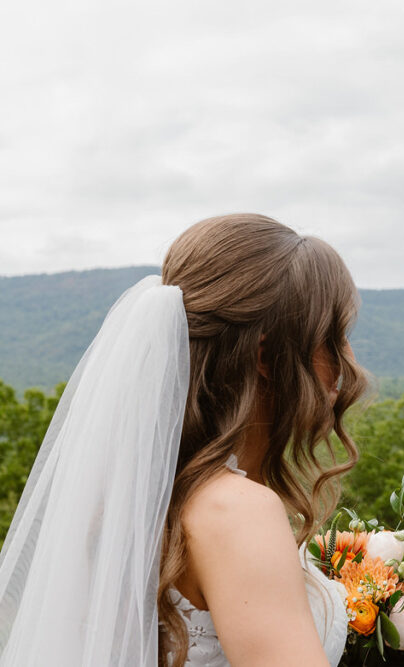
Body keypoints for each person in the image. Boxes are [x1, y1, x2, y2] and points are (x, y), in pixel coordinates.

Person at [0, 214, 368, 666]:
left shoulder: (129, 499)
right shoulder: (237, 511)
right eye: (334, 337)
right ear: (267, 357)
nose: (349, 360)